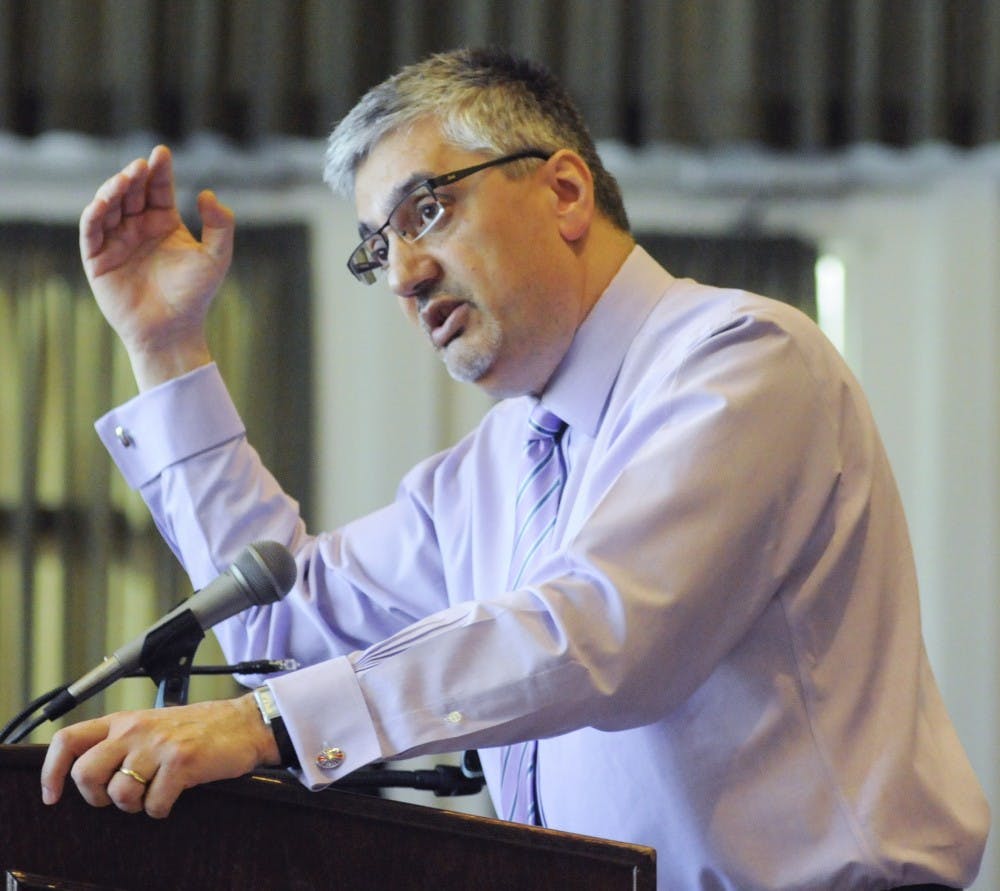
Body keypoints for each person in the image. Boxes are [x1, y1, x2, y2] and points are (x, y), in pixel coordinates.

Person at [40, 47, 988, 890]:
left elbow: (603, 627)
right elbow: (281, 618)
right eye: (378, 247)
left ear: (565, 192)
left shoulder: (741, 358)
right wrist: (167, 348)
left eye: (427, 211)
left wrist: (266, 725)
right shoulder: (491, 470)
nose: (403, 274)